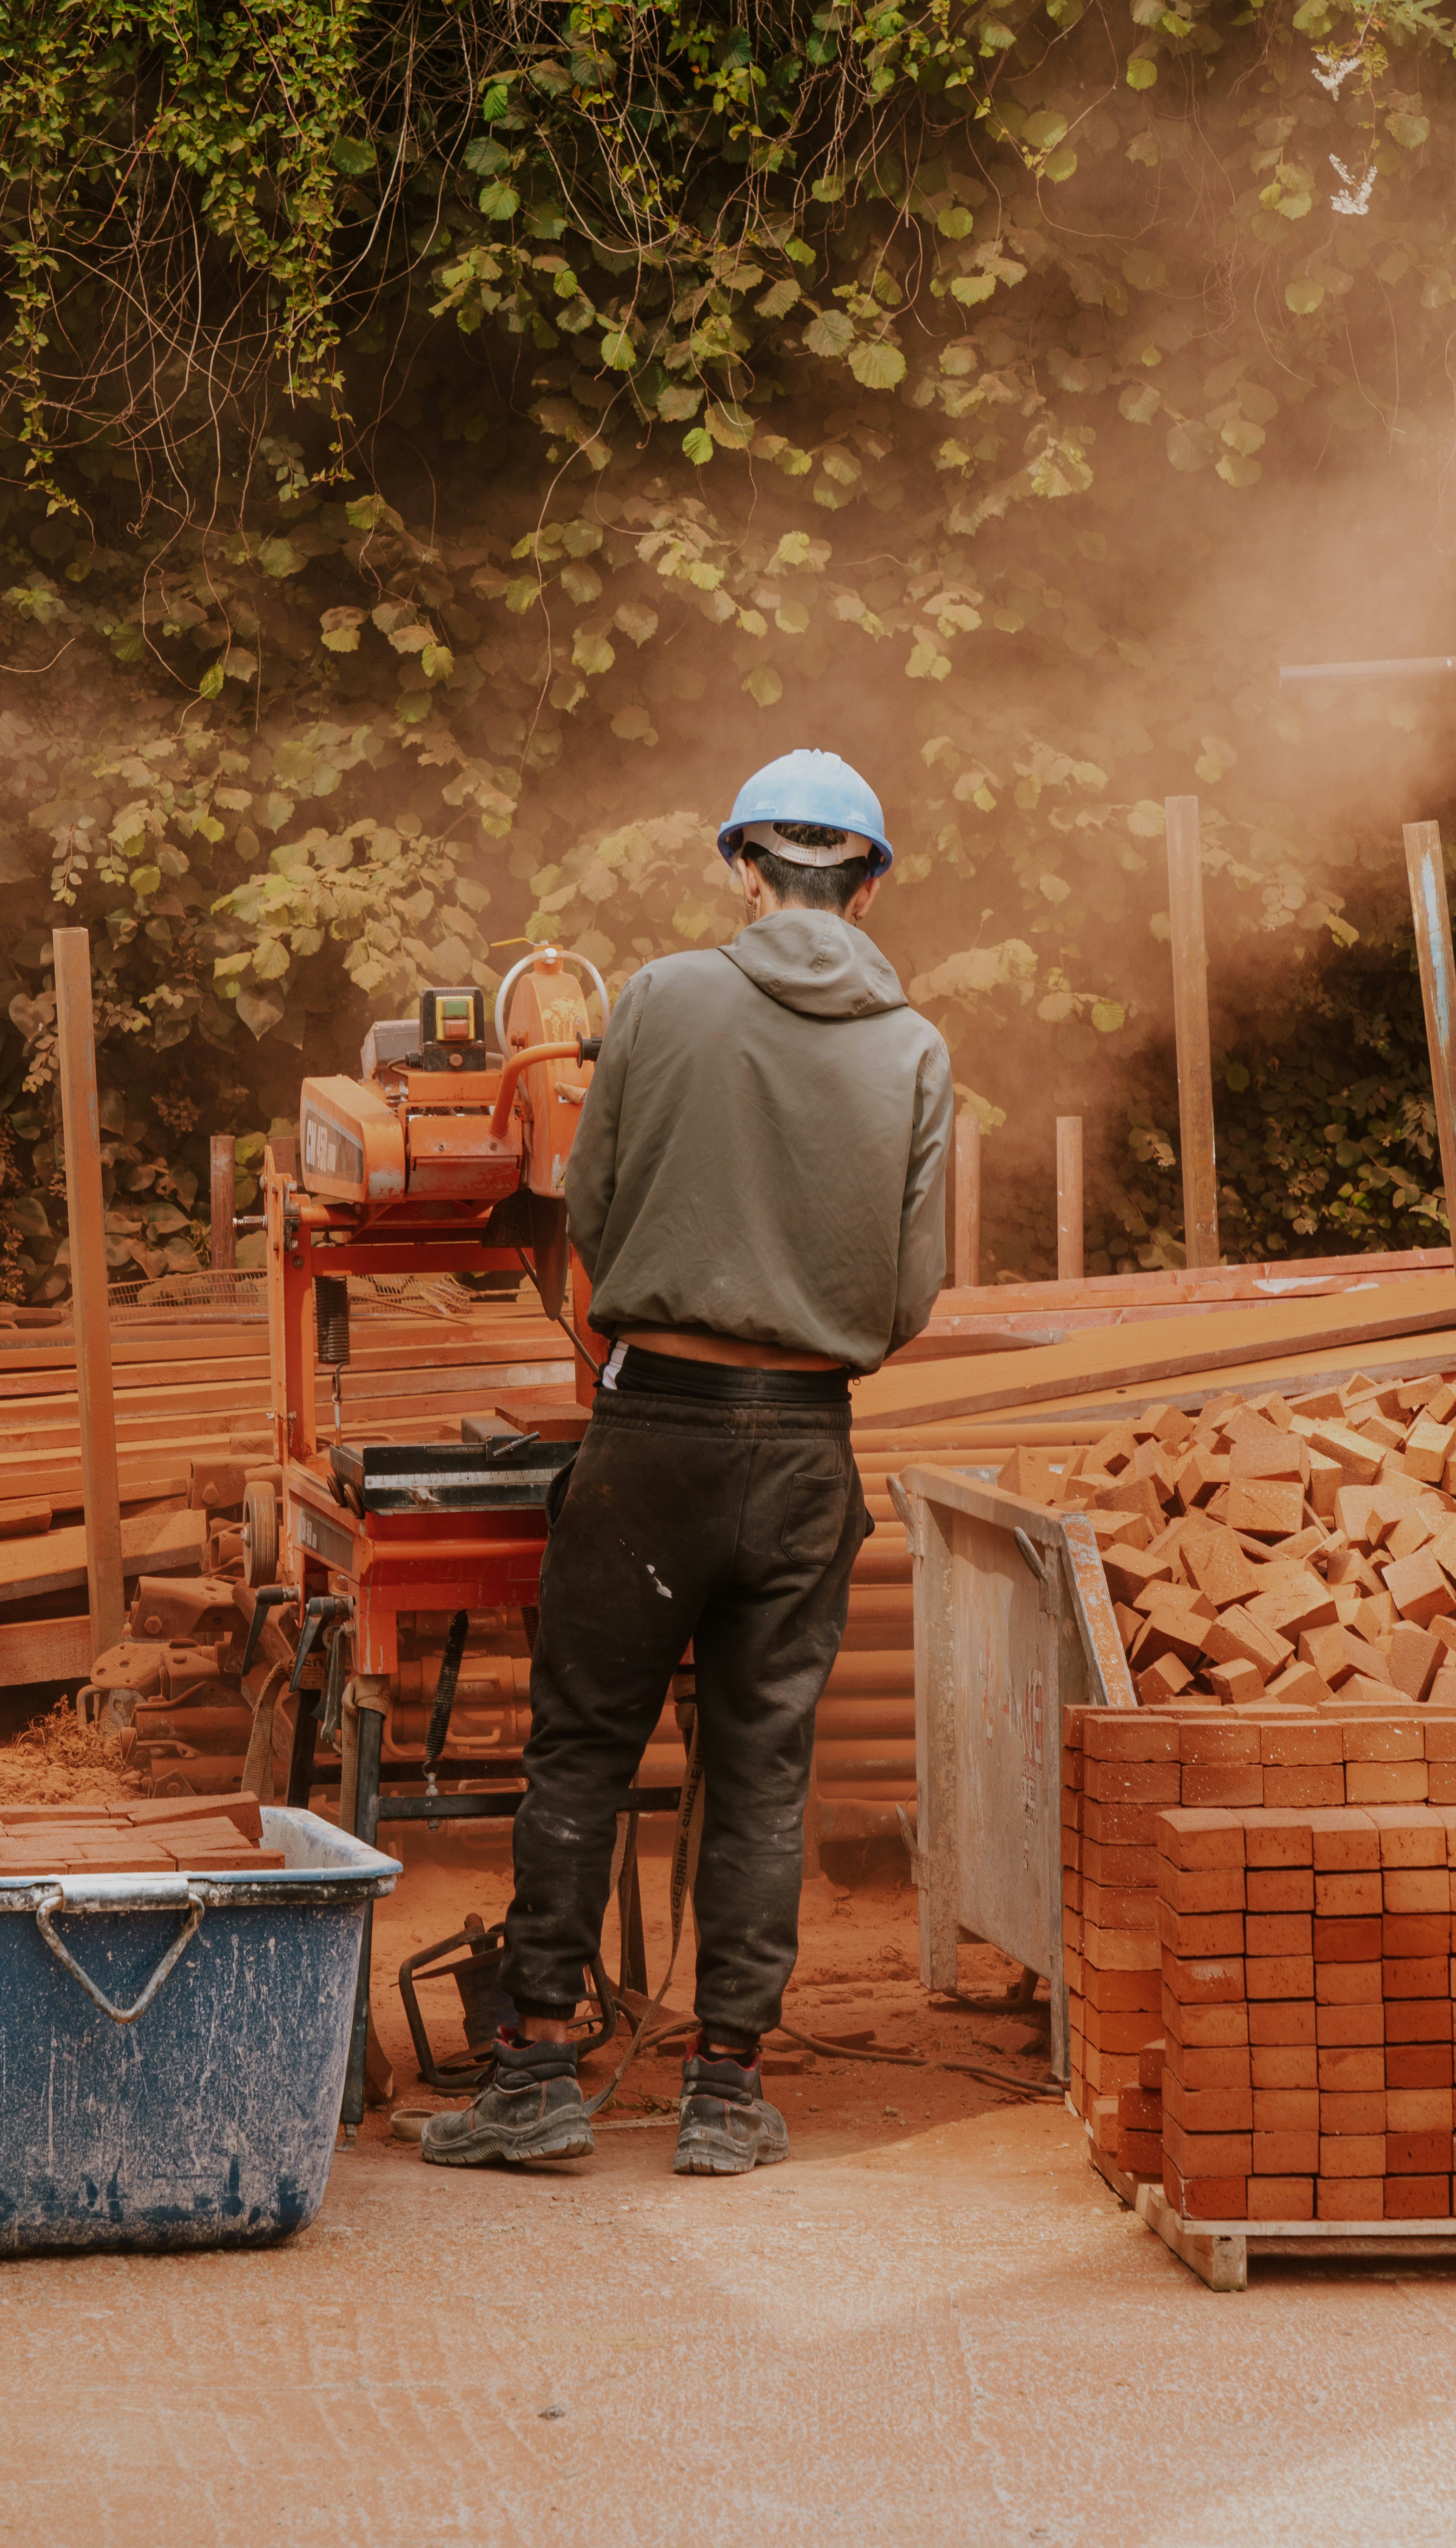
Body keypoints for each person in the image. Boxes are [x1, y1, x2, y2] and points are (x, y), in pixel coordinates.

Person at [422, 749, 952, 2176]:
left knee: (583, 1753)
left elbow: (582, 1199)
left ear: (743, 868)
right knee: (765, 1775)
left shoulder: (659, 998)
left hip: (652, 1430)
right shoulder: (915, 1050)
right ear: (872, 879)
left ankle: (536, 2077)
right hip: (803, 1453)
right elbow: (911, 1295)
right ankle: (726, 2091)